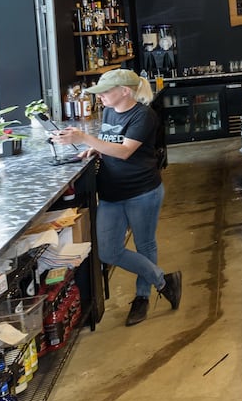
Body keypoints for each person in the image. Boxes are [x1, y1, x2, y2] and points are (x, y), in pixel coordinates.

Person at [50, 70, 181, 326]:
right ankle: (164, 281)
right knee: (108, 251)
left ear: (125, 91)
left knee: (145, 245)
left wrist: (85, 138)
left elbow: (124, 152)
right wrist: (94, 148)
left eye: (105, 92)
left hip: (142, 191)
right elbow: (111, 142)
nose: (101, 97)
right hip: (111, 191)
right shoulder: (110, 111)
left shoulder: (144, 115)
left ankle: (142, 297)